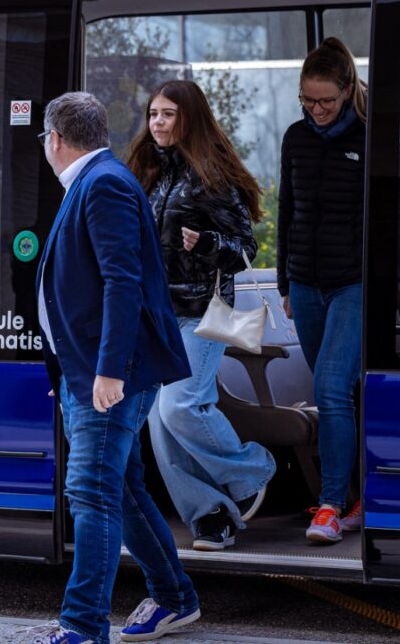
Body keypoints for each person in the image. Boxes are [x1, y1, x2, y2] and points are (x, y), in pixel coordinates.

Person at [31, 91, 200, 644]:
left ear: (56, 139)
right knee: (121, 491)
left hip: (109, 375)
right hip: (89, 372)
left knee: (91, 491)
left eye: (45, 138)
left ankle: (81, 627)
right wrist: (72, 372)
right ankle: (175, 598)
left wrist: (109, 371)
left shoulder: (103, 184)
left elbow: (122, 283)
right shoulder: (95, 179)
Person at [126, 80, 277, 552]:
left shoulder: (212, 177)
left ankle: (252, 469)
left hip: (200, 313)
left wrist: (209, 243)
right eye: (154, 114)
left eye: (168, 114)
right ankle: (211, 515)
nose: (158, 122)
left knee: (180, 406)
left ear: (189, 118)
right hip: (158, 316)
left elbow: (245, 249)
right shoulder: (148, 172)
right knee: (160, 422)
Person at [278, 37, 368, 544]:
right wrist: (285, 283)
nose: (316, 110)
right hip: (305, 285)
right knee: (340, 393)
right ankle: (357, 498)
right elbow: (288, 209)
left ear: (347, 90)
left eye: (326, 101)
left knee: (332, 388)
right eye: (307, 100)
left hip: (353, 284)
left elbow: (395, 216)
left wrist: (385, 283)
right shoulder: (295, 138)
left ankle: (330, 506)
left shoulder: (371, 139)